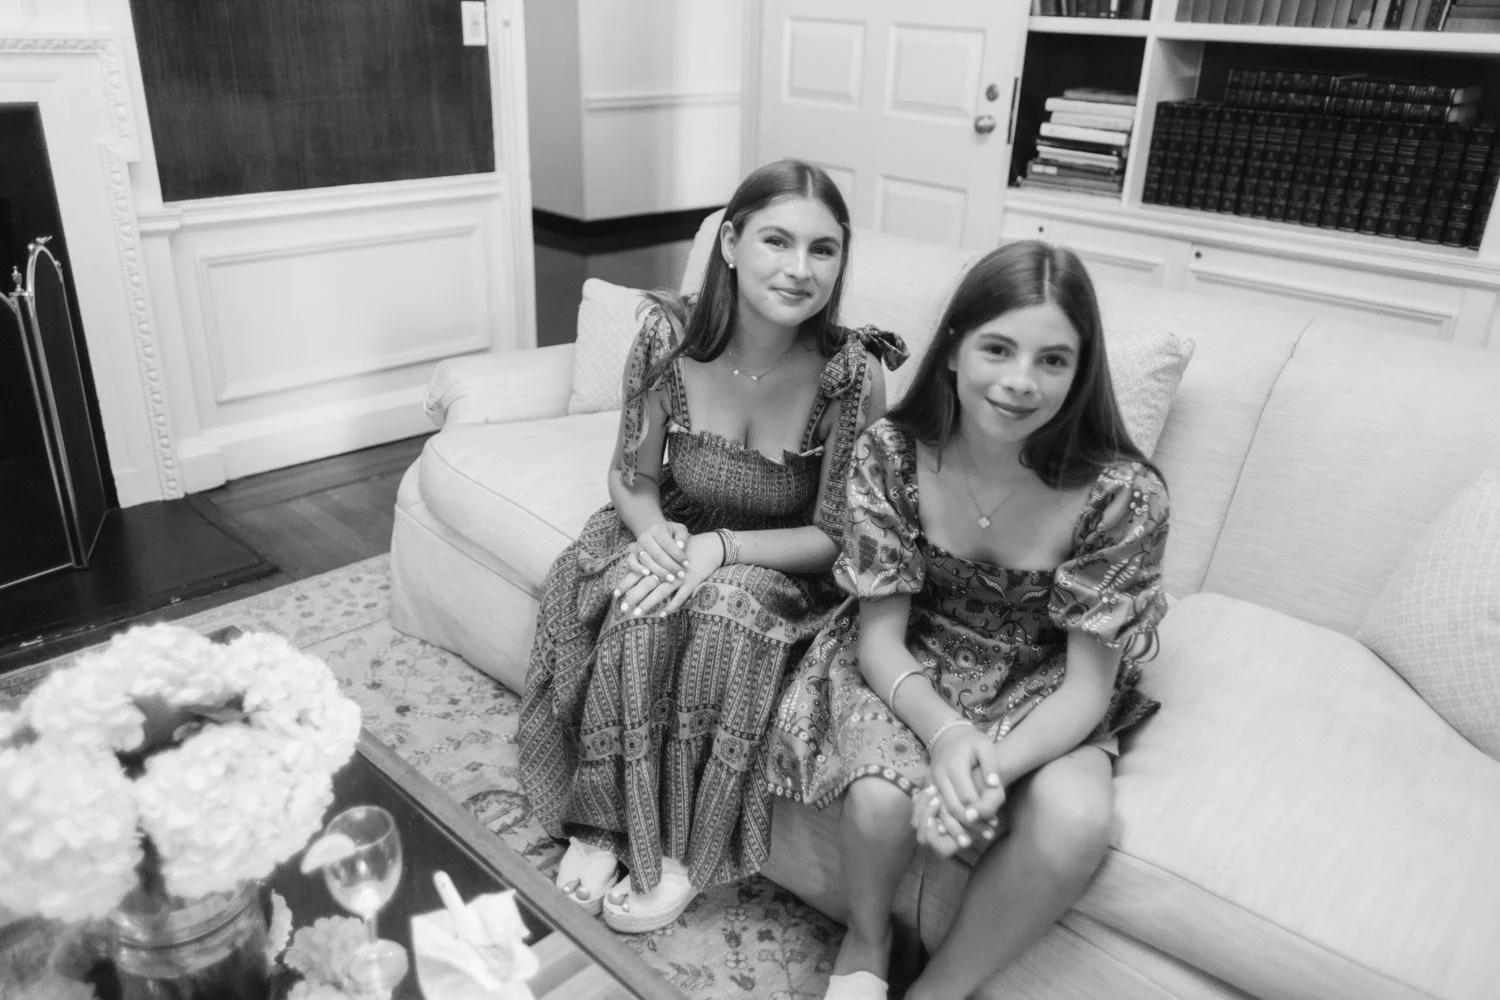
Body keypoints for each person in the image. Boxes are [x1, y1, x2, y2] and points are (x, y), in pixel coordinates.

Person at [766, 240, 1170, 1000]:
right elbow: (880, 636)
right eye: (998, 348)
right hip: (914, 657)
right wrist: (948, 733)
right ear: (953, 350)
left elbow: (1087, 689)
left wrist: (982, 775)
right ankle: (868, 937)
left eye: (1054, 360)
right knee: (881, 798)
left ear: (1082, 371)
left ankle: (939, 990)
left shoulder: (1123, 494)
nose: (1021, 382)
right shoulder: (890, 452)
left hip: (1044, 680)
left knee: (1078, 817)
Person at [518, 159, 906, 935]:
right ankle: (601, 821)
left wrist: (720, 551)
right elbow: (631, 475)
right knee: (643, 593)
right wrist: (655, 531)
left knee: (724, 608)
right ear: (729, 242)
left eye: (823, 250)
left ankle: (688, 848)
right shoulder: (667, 337)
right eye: (776, 241)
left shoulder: (851, 374)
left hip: (786, 564)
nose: (800, 269)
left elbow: (837, 538)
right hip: (681, 523)